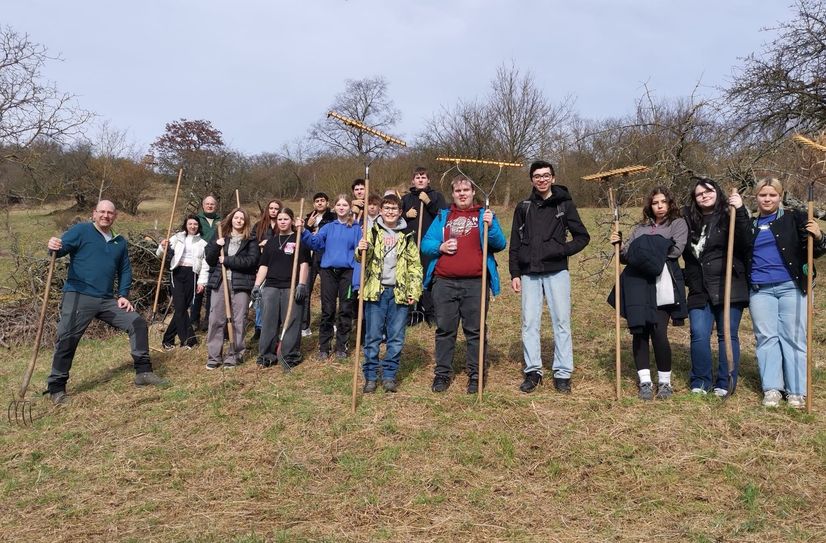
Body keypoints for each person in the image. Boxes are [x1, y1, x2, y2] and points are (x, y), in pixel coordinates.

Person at [45, 200, 167, 405]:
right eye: (102, 212)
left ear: (115, 216)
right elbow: (60, 249)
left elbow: (125, 270)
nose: (105, 215)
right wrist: (53, 246)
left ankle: (143, 373)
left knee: (136, 323)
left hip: (106, 299)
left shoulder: (119, 242)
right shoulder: (81, 231)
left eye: (110, 213)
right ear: (94, 214)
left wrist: (122, 295)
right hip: (78, 294)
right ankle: (56, 388)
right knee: (67, 338)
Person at [509, 160, 590, 394]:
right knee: (529, 323)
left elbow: (582, 237)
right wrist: (515, 272)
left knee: (561, 322)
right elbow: (515, 242)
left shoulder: (564, 205)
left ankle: (562, 372)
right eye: (537, 176)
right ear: (532, 180)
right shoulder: (523, 206)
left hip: (557, 272)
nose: (542, 179)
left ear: (553, 178)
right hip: (529, 273)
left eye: (546, 175)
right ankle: (533, 371)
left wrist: (560, 250)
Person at [421, 175, 507, 394]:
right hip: (445, 283)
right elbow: (425, 244)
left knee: (475, 330)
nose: (462, 194)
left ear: (472, 193)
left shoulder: (483, 215)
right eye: (458, 191)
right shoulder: (443, 216)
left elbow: (500, 244)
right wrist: (440, 247)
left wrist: (491, 225)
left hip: (476, 283)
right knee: (445, 330)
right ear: (453, 194)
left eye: (466, 190)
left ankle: (475, 375)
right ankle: (442, 374)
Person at [747, 177, 825, 408]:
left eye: (772, 195)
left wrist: (819, 237)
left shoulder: (795, 219)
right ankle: (772, 389)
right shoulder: (749, 226)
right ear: (756, 197)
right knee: (766, 338)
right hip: (760, 290)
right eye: (763, 195)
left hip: (791, 287)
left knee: (793, 338)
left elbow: (816, 251)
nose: (767, 199)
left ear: (780, 196)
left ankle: (796, 391)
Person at [609, 186, 688, 401]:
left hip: (662, 281)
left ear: (670, 203)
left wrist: (641, 250)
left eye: (663, 202)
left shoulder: (678, 224)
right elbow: (626, 255)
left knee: (658, 331)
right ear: (650, 206)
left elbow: (676, 250)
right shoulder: (640, 227)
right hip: (636, 282)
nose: (659, 206)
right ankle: (645, 381)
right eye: (655, 202)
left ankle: (664, 382)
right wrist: (620, 245)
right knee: (640, 331)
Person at [682, 178, 749, 397]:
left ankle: (725, 381)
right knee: (698, 334)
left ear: (717, 193)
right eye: (699, 193)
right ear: (694, 198)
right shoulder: (688, 220)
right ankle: (701, 381)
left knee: (727, 335)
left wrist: (739, 211)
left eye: (708, 191)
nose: (704, 195)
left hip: (728, 284)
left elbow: (747, 241)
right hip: (699, 287)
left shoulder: (729, 215)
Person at [355, 194, 423, 393]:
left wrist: (414, 291)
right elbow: (360, 259)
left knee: (396, 337)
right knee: (373, 336)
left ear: (400, 212)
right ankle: (370, 376)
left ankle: (389, 375)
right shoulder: (372, 232)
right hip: (376, 292)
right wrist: (361, 250)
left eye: (394, 209)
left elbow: (415, 266)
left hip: (399, 293)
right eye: (387, 208)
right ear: (381, 211)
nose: (390, 212)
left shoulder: (406, 235)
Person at [299, 194, 362, 359]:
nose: (342, 208)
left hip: (347, 273)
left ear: (349, 208)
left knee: (346, 309)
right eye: (339, 205)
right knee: (328, 310)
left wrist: (357, 281)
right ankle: (324, 346)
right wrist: (304, 231)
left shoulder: (356, 229)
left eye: (345, 205)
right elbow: (315, 243)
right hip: (329, 273)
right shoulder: (328, 227)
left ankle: (342, 345)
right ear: (335, 207)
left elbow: (360, 256)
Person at [251, 207, 311, 368]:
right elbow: (264, 266)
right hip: (271, 287)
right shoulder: (271, 242)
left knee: (291, 321)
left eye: (285, 219)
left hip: (291, 286)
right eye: (280, 219)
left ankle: (289, 355)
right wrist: (257, 285)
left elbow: (304, 264)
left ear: (291, 220)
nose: (282, 222)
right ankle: (266, 355)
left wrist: (302, 284)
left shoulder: (299, 240)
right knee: (268, 321)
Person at [204, 208, 260, 369]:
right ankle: (214, 357)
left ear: (246, 222)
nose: (239, 220)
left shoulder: (251, 240)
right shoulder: (221, 236)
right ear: (231, 219)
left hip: (241, 284)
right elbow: (209, 259)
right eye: (236, 217)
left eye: (242, 219)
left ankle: (234, 355)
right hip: (220, 283)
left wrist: (228, 260)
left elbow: (252, 261)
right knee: (216, 319)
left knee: (238, 320)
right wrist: (216, 245)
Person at [401, 167, 448, 326]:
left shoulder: (437, 196)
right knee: (410, 277)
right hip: (410, 244)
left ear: (428, 180)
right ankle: (409, 311)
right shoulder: (406, 199)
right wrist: (405, 216)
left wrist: (429, 203)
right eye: (417, 177)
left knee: (429, 276)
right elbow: (394, 218)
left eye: (423, 177)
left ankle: (430, 312)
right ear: (413, 180)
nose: (420, 180)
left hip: (430, 245)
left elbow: (444, 217)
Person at [156, 214, 209, 350]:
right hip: (177, 273)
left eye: (195, 224)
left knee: (182, 309)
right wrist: (162, 246)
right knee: (179, 306)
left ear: (198, 226)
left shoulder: (202, 243)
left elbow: (205, 265)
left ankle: (168, 340)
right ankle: (189, 341)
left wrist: (202, 282)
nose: (193, 226)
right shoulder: (176, 238)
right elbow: (160, 254)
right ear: (186, 225)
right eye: (190, 224)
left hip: (192, 275)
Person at [301, 192, 336, 337]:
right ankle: (304, 325)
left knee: (327, 293)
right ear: (314, 204)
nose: (320, 203)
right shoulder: (308, 218)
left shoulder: (333, 218)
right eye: (317, 201)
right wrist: (308, 227)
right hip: (309, 258)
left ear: (327, 203)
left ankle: (330, 323)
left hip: (326, 257)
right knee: (305, 292)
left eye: (322, 200)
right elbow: (301, 238)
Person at [251, 199, 284, 340]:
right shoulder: (259, 226)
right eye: (271, 208)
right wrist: (260, 244)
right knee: (260, 296)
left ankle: (275, 326)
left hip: (278, 265)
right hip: (261, 264)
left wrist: (270, 244)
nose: (273, 211)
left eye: (276, 208)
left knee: (274, 297)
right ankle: (259, 327)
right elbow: (251, 242)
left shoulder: (283, 225)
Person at [192, 195, 221, 331]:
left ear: (216, 206)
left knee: (211, 290)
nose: (210, 206)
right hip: (198, 258)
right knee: (197, 290)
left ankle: (208, 321)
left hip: (214, 259)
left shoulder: (221, 221)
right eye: (207, 204)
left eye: (212, 204)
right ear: (203, 205)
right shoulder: (196, 219)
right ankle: (194, 320)